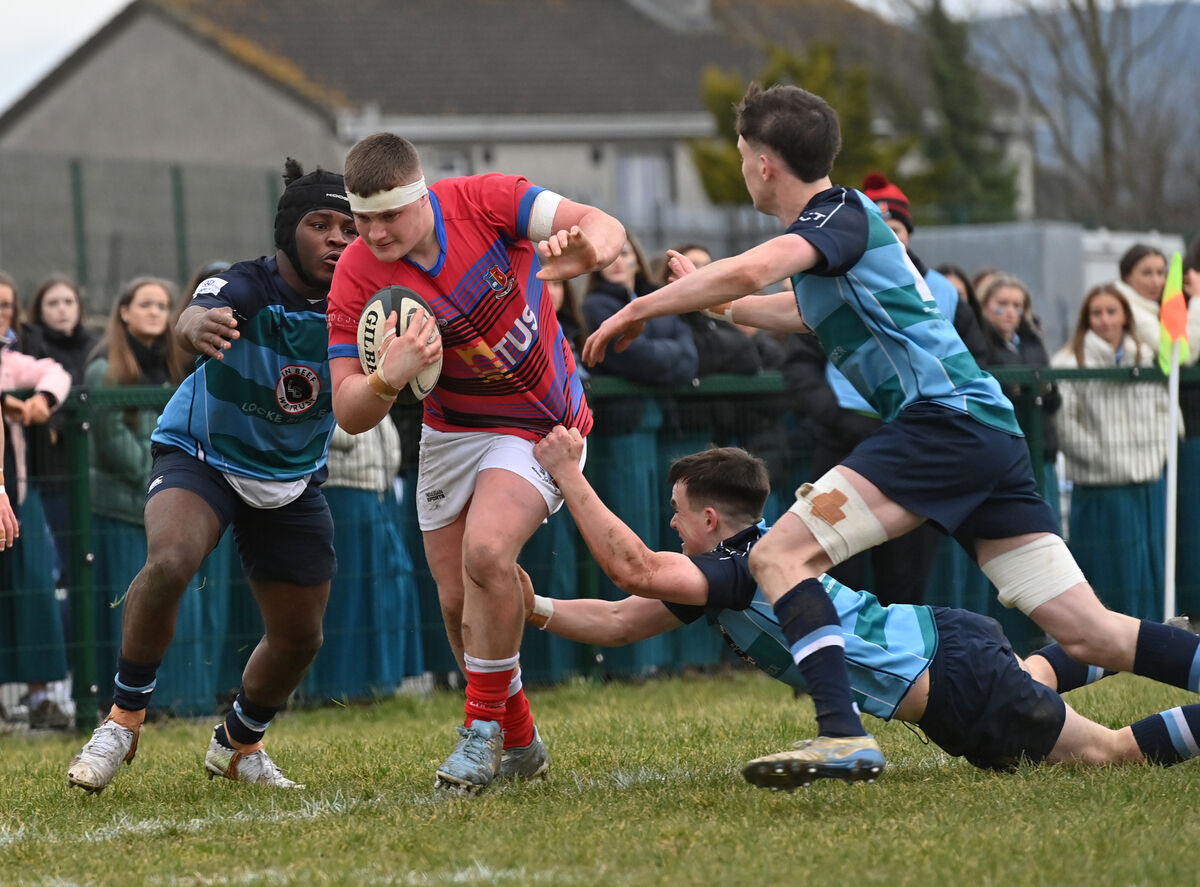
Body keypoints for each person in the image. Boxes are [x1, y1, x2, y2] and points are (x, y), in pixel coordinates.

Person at [582, 82, 1200, 790]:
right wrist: (714, 299)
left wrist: (640, 308)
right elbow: (782, 308)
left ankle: (843, 733)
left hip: (944, 423)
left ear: (762, 164)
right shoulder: (839, 242)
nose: (742, 163)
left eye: (742, 151)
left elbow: (754, 269)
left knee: (778, 555)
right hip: (983, 432)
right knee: (1090, 632)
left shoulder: (837, 212)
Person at [529, 428, 1200, 776]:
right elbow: (618, 620)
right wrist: (539, 609)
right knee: (1037, 675)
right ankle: (1155, 639)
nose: (670, 525)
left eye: (676, 513)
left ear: (709, 518)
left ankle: (1155, 652)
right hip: (949, 645)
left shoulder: (735, 570)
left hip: (955, 679)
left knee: (1106, 754)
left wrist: (567, 472)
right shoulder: (734, 570)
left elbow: (635, 569)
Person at [324, 132, 625, 793]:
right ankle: (519, 738)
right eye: (361, 217)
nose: (373, 232)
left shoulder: (488, 201)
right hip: (452, 429)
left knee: (487, 553)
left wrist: (586, 252)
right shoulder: (355, 272)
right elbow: (348, 409)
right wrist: (386, 380)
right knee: (461, 599)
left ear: (420, 193)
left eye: (388, 215)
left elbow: (603, 227)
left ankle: (480, 727)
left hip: (543, 422)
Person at [67, 158, 357, 793]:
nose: (338, 237)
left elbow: (365, 408)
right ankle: (121, 721)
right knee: (170, 562)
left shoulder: (363, 304)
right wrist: (193, 324)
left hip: (291, 476)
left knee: (301, 636)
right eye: (321, 223)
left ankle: (238, 744)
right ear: (289, 232)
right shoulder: (247, 284)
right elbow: (196, 314)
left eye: (349, 227)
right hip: (203, 454)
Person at [83, 277, 192, 714]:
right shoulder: (103, 369)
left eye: (163, 305)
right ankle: (121, 703)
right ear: (123, 312)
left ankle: (172, 702)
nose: (156, 312)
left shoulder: (176, 369)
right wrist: (160, 483)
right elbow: (111, 442)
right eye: (146, 304)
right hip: (122, 510)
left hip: (164, 509)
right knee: (128, 609)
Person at [1051, 284, 1173, 621]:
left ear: (1125, 316)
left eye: (1112, 311)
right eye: (1096, 312)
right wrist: (1105, 459)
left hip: (1147, 480)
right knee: (1110, 576)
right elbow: (1065, 424)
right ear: (1086, 319)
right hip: (1100, 488)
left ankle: (1156, 641)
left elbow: (1164, 407)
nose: (1105, 320)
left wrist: (1157, 453)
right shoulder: (1068, 361)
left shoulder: (1147, 357)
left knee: (1149, 570)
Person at [0, 336, 72, 729]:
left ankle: (42, 696)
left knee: (33, 590)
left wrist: (41, 398)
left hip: (15, 496)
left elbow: (55, 372)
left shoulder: (11, 361)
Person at [977, 273, 1061, 505]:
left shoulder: (1034, 341)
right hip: (1003, 455)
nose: (1011, 311)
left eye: (1017, 305)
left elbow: (1053, 397)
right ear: (984, 306)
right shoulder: (978, 344)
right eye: (1001, 304)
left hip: (1040, 447)